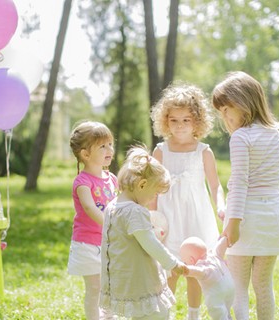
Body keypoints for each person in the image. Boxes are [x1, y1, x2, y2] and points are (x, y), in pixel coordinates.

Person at [212, 71, 279, 319]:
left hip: (246, 220)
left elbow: (242, 184)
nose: (224, 117)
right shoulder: (276, 136)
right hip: (272, 218)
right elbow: (265, 182)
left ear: (244, 102)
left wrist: (232, 223)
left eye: (227, 109)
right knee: (264, 285)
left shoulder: (241, 137)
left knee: (239, 288)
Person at [150, 82, 225, 320]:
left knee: (196, 267)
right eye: (174, 120)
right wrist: (152, 218)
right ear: (165, 121)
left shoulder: (203, 151)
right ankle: (167, 313)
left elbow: (215, 185)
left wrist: (220, 206)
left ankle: (194, 314)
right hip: (169, 217)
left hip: (196, 216)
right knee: (169, 268)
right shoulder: (161, 151)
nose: (180, 125)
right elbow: (152, 190)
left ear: (197, 121)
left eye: (186, 120)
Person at [100, 145, 187, 320]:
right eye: (154, 193)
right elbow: (151, 244)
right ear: (142, 184)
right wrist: (173, 263)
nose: (154, 199)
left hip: (122, 278)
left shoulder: (112, 206)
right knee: (158, 313)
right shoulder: (135, 211)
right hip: (141, 280)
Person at [67, 120, 118, 320]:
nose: (109, 150)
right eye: (102, 146)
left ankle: (109, 316)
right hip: (88, 244)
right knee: (95, 287)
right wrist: (109, 223)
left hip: (109, 243)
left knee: (111, 286)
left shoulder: (111, 179)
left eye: (110, 144)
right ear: (85, 154)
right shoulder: (82, 182)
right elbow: (89, 207)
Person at [180, 236, 235, 320]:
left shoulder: (201, 266)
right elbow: (220, 245)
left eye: (185, 262)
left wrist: (186, 270)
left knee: (217, 312)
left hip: (216, 293)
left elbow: (198, 271)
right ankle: (228, 317)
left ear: (191, 260)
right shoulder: (215, 255)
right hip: (230, 287)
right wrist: (225, 238)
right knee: (226, 309)